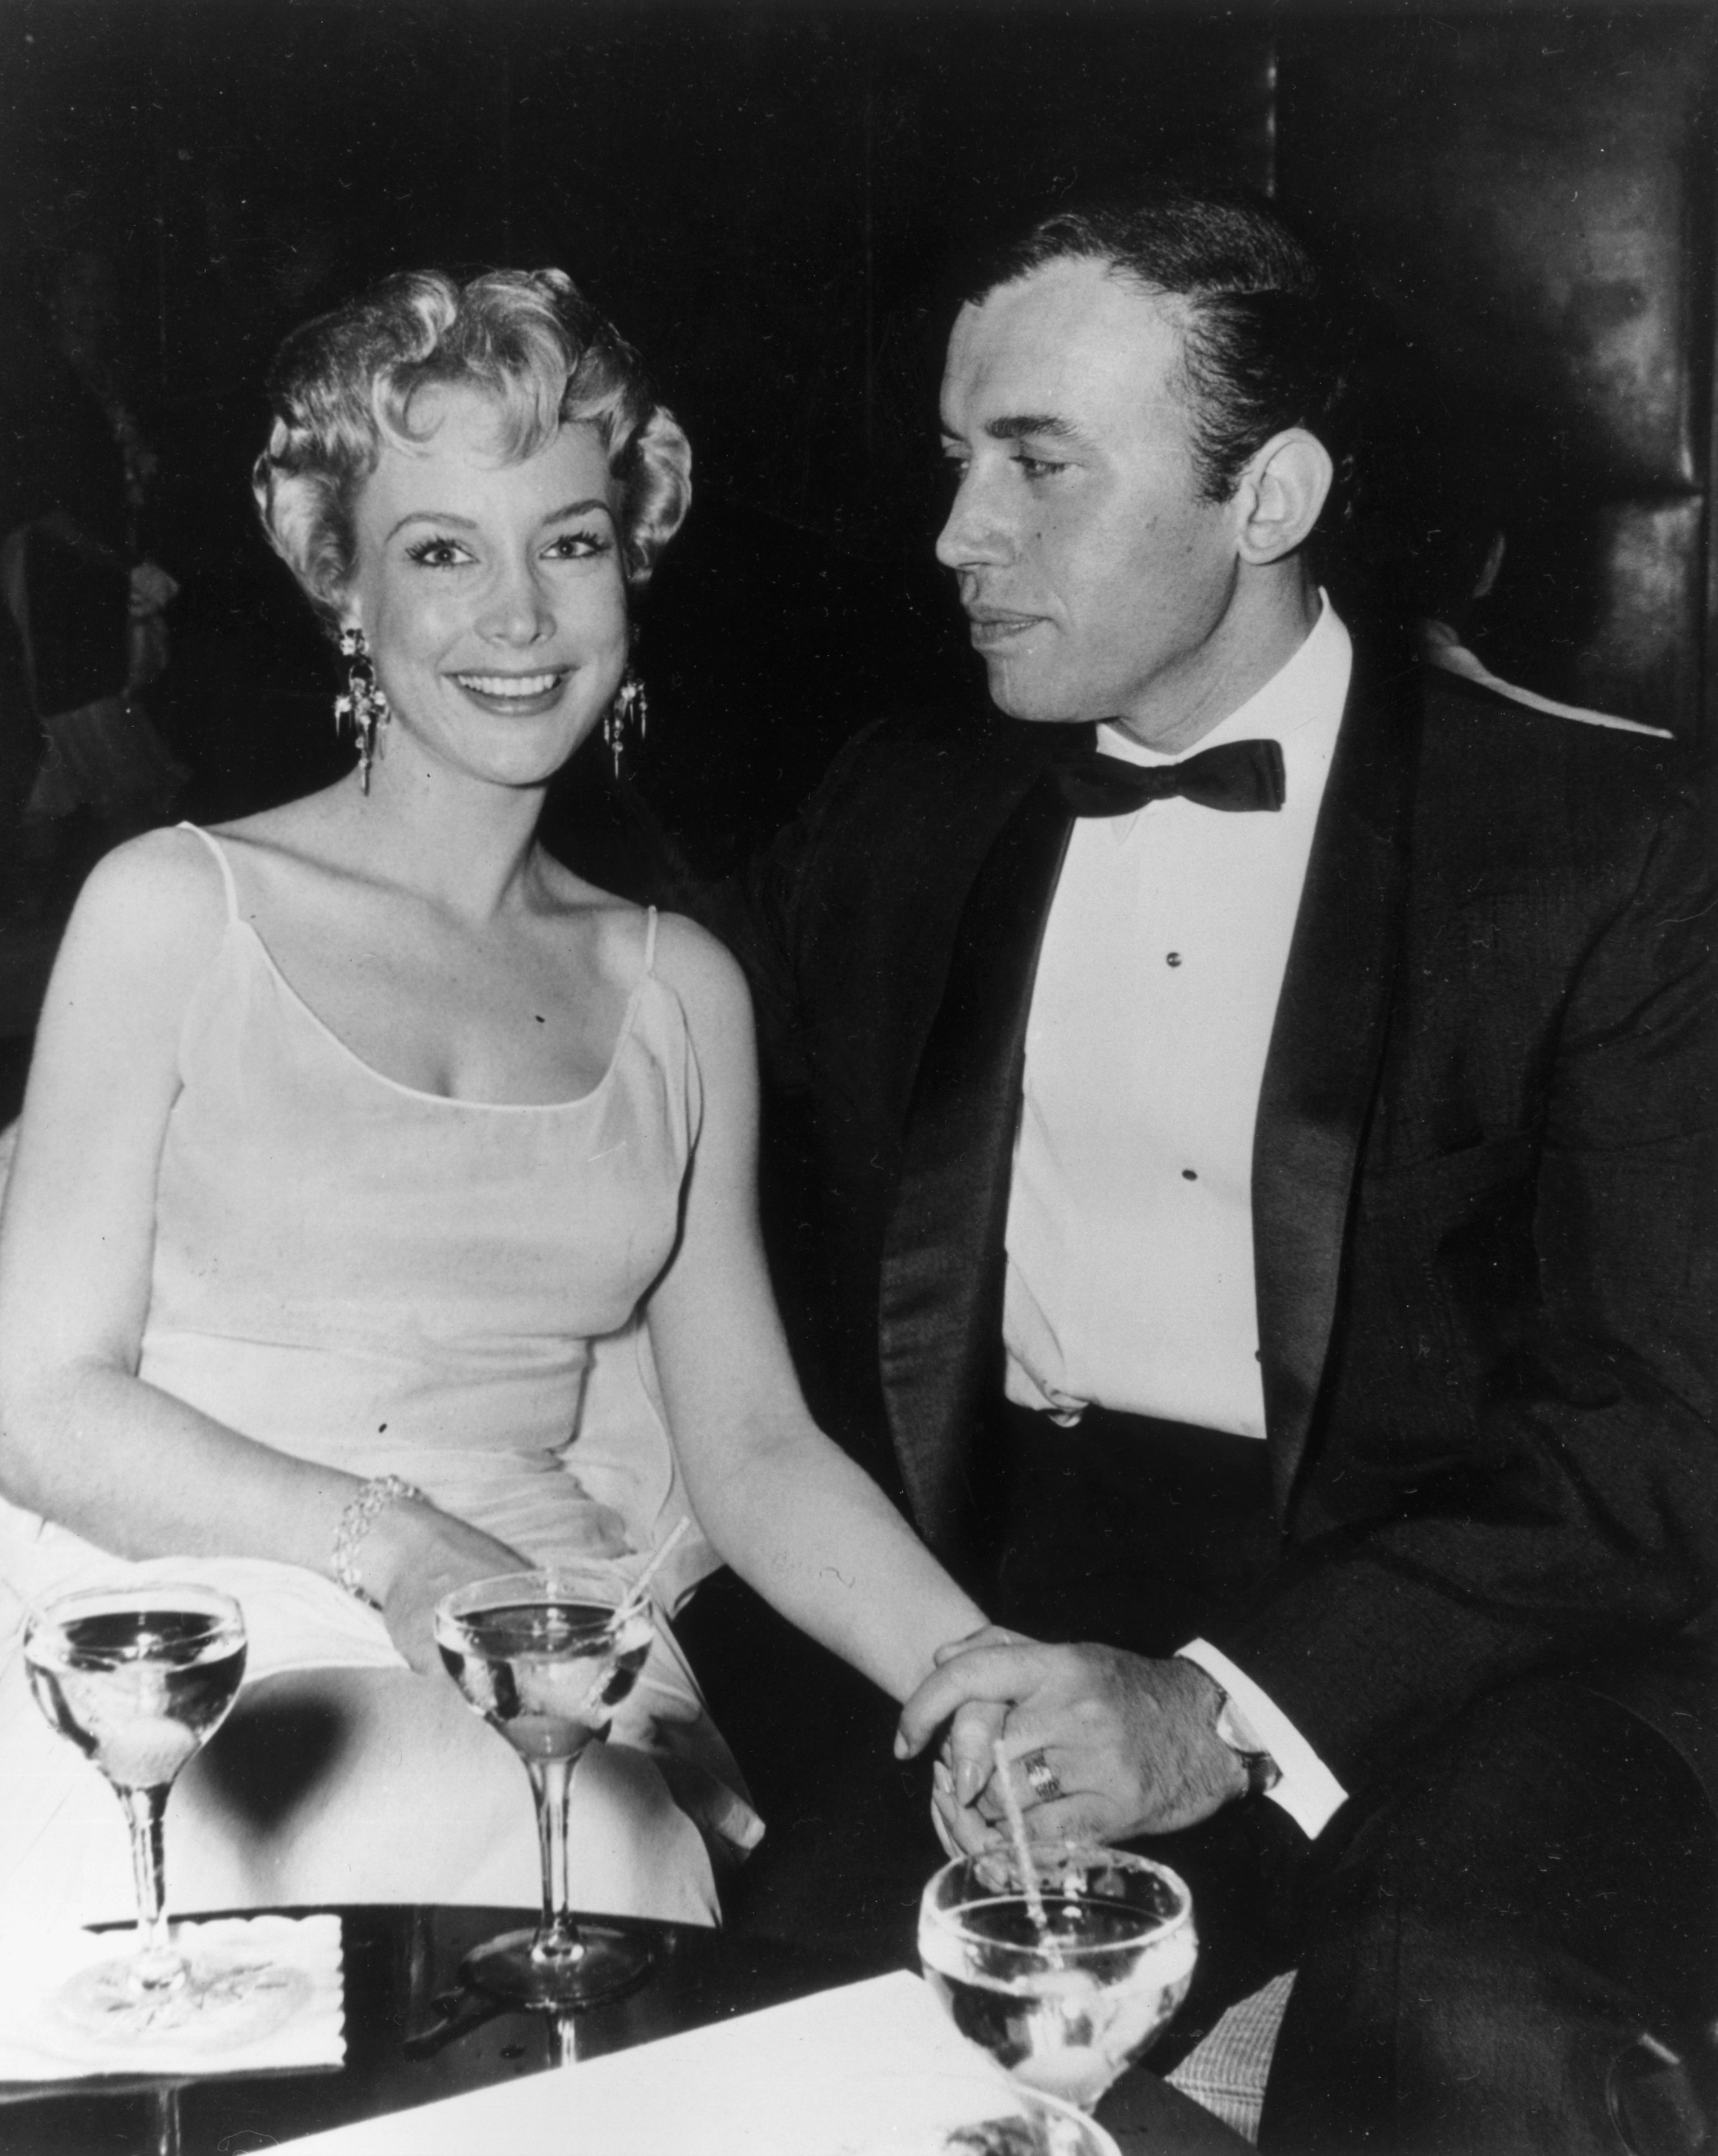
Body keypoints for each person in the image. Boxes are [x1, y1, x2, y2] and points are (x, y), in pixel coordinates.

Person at [727, 191, 1716, 2149]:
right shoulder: (896, 813)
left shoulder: (1602, 845)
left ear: (1264, 496)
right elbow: (604, 1068)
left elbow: (1659, 1433)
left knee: (1461, 2028)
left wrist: (1217, 1707)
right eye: (953, 464)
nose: (954, 535)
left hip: (1467, 1619)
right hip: (1011, 1609)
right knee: (779, 2058)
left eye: (1036, 467)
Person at [0, 265, 986, 1937]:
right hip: (166, 1606)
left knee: (583, 1876)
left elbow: (748, 1448)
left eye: (571, 541)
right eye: (441, 551)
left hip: (533, 1639)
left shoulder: (680, 986)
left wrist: (971, 1671)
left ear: (633, 563)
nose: (518, 616)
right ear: (343, 589)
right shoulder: (174, 907)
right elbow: (35, 1401)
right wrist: (394, 1547)